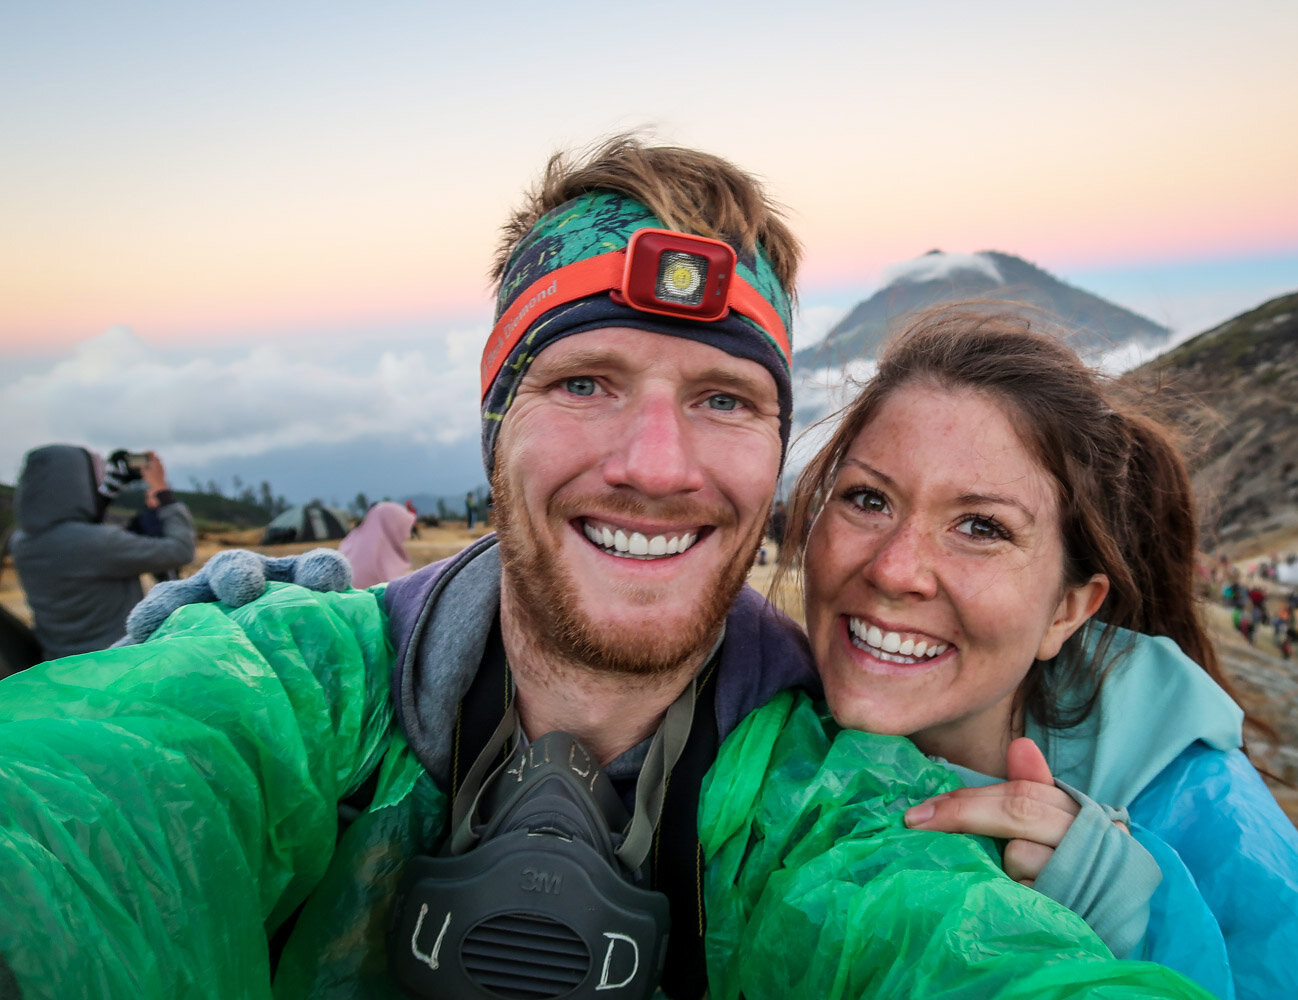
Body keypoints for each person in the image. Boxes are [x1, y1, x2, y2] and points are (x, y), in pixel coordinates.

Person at [0, 134, 821, 999]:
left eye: (724, 399)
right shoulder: (304, 692)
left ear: (775, 448)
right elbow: (65, 798)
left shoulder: (842, 804)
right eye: (584, 383)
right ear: (497, 431)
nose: (656, 466)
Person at [739, 306, 1298, 999]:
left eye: (981, 527)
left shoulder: (1203, 811)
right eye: (868, 499)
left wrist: (1135, 928)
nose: (896, 570)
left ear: (1069, 610)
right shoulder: (753, 726)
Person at [10, 445, 195, 659]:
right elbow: (180, 550)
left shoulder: (23, 541)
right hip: (114, 664)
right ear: (78, 485)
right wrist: (162, 491)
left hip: (60, 663)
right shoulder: (95, 544)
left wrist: (112, 488)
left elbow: (73, 519)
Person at [338, 500, 417, 588]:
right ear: (391, 528)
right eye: (402, 529)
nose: (408, 535)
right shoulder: (380, 562)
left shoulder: (351, 543)